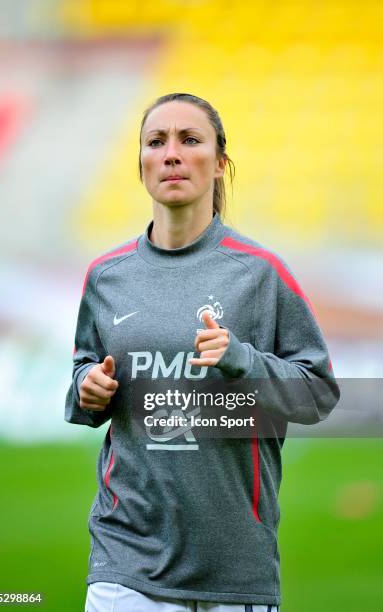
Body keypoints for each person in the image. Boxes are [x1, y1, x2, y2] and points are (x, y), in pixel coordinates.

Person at [65, 92, 340, 612]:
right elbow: (83, 374)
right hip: (123, 565)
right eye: (156, 141)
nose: (171, 153)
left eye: (190, 140)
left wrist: (244, 360)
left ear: (219, 165)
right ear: (141, 163)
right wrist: (87, 389)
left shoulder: (261, 273)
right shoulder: (106, 276)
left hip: (235, 572)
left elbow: (319, 394)